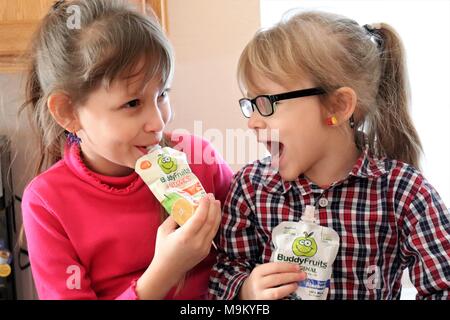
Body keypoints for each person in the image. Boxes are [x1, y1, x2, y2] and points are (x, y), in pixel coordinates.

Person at [209, 10, 450, 300]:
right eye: (251, 104)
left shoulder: (404, 192)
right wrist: (246, 290)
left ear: (337, 106)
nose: (252, 121)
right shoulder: (249, 189)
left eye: (267, 103)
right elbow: (222, 275)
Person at [20, 0, 233, 299]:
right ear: (68, 111)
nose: (158, 122)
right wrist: (165, 272)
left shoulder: (200, 159)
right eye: (132, 103)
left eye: (162, 94)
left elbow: (247, 245)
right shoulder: (47, 203)